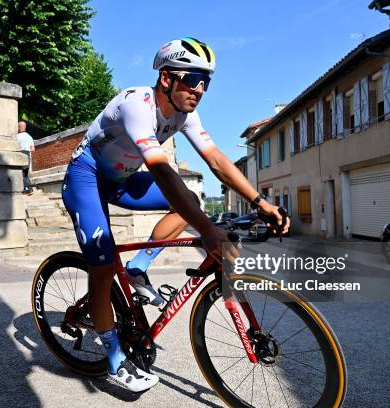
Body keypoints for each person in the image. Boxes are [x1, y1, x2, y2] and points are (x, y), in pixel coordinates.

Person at [61, 37, 290, 392]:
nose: (200, 89)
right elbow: (163, 172)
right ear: (166, 78)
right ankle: (114, 358)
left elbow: (216, 160)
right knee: (103, 267)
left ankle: (137, 267)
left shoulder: (185, 115)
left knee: (192, 203)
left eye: (206, 82)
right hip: (86, 177)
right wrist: (209, 230)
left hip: (120, 180)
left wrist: (262, 202)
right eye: (193, 79)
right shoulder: (137, 104)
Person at [17, 121, 35, 194]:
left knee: (21, 173)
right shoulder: (29, 136)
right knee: (25, 173)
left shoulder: (17, 136)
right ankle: (30, 188)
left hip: (21, 153)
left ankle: (27, 189)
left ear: (19, 127)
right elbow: (33, 149)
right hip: (27, 154)